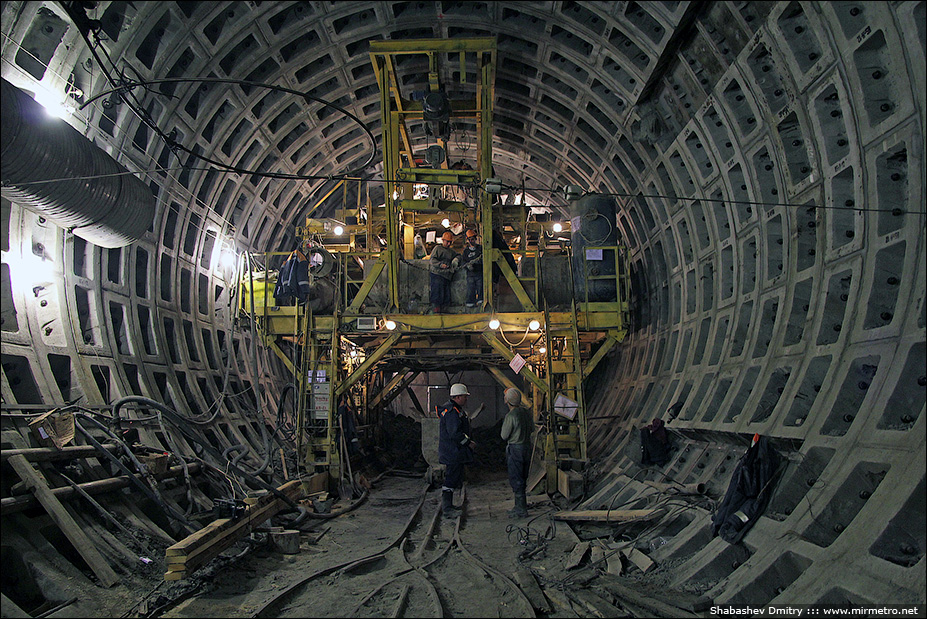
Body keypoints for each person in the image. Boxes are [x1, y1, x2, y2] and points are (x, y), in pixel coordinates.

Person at [438, 383, 475, 517]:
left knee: (453, 478)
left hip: (454, 452)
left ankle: (449, 506)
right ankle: (447, 509)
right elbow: (455, 433)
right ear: (458, 397)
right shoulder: (452, 412)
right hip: (452, 452)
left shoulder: (454, 409)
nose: (466, 399)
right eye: (464, 396)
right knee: (451, 478)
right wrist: (468, 443)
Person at [500, 387, 533, 518]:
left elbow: (504, 435)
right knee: (523, 477)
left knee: (516, 478)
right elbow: (532, 428)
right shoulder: (526, 413)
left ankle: (520, 509)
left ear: (507, 400)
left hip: (515, 449)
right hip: (527, 448)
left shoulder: (511, 416)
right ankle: (520, 506)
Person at [429, 230, 458, 313]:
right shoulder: (437, 249)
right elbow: (432, 260)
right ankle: (436, 308)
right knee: (437, 291)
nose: (448, 244)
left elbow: (458, 255)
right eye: (447, 242)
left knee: (446, 293)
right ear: (443, 240)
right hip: (437, 274)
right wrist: (440, 265)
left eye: (450, 242)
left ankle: (445, 309)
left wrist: (456, 259)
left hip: (446, 275)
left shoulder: (451, 252)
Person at [459, 229, 483, 307]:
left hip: (479, 273)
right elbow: (463, 262)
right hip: (470, 274)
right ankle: (470, 302)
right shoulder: (466, 251)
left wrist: (478, 263)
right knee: (471, 288)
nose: (471, 241)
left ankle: (481, 300)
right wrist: (467, 266)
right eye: (469, 239)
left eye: (472, 239)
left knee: (480, 287)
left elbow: (483, 259)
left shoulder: (480, 249)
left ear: (475, 239)